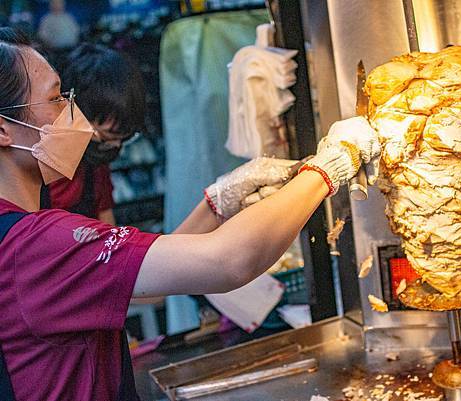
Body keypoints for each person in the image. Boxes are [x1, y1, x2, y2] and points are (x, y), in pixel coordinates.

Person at [0, 28, 379, 400]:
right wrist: (331, 167)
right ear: (4, 128)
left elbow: (142, 284)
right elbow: (229, 261)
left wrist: (218, 200)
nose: (71, 113)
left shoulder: (23, 233)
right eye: (55, 99)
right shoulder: (35, 245)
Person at [41, 43, 146, 224]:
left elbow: (106, 223)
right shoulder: (37, 168)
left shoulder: (95, 168)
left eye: (123, 140)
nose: (114, 147)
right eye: (105, 138)